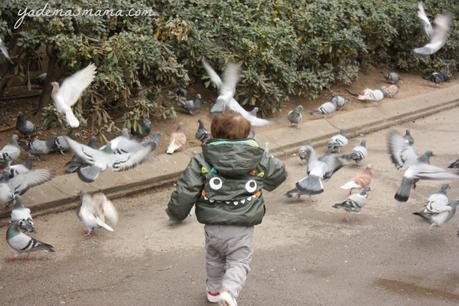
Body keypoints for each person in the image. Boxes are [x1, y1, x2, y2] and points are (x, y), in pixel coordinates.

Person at [166, 110, 287, 306]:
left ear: (213, 132)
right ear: (247, 134)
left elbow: (186, 190)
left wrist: (176, 212)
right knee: (238, 261)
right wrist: (265, 174)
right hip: (242, 225)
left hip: (213, 226)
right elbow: (279, 174)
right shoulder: (259, 157)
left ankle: (213, 291)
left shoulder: (202, 158)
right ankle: (229, 291)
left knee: (214, 259)